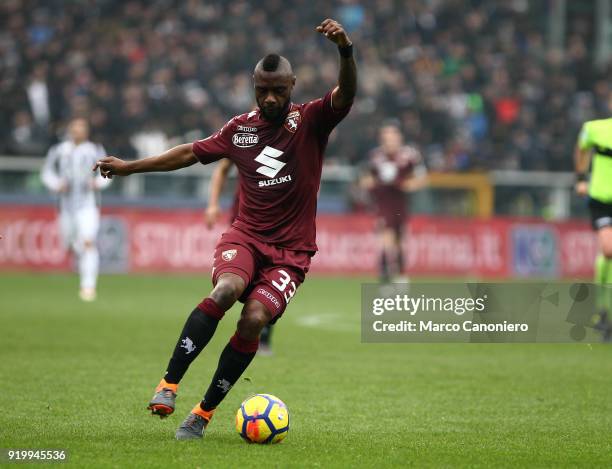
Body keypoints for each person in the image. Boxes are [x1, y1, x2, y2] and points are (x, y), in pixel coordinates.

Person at [94, 18, 356, 440]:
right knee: (226, 291)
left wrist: (345, 50)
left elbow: (347, 93)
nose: (270, 98)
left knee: (253, 319)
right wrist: (130, 167)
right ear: (254, 87)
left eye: (278, 90)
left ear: (292, 86)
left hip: (292, 252)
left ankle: (202, 413)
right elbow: (188, 153)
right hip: (246, 236)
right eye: (262, 90)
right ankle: (168, 385)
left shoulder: (311, 121)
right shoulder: (240, 128)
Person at [205, 158, 274, 355]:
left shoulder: (293, 136)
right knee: (235, 280)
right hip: (244, 219)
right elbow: (222, 168)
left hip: (277, 224)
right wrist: (213, 204)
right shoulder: (246, 132)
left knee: (269, 277)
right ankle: (252, 331)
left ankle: (263, 334)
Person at [41, 118, 110, 301]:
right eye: (75, 128)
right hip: (65, 206)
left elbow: (108, 174)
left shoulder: (94, 150)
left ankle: (88, 287)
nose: (78, 131)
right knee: (70, 244)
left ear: (86, 131)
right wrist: (57, 184)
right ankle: (80, 253)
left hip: (88, 205)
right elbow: (47, 172)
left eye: (81, 128)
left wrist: (96, 183)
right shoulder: (59, 151)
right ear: (70, 130)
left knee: (88, 242)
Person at [360, 120, 427, 283]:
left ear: (399, 138)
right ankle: (385, 275)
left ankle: (400, 274)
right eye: (386, 137)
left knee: (399, 239)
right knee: (385, 237)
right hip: (383, 201)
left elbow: (422, 178)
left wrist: (411, 185)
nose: (389, 141)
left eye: (392, 136)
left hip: (401, 202)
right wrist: (368, 183)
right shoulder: (375, 156)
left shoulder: (410, 156)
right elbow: (366, 178)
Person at [574, 116, 612, 341]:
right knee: (608, 250)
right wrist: (580, 177)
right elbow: (581, 148)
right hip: (602, 201)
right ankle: (602, 310)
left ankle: (604, 315)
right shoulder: (595, 128)